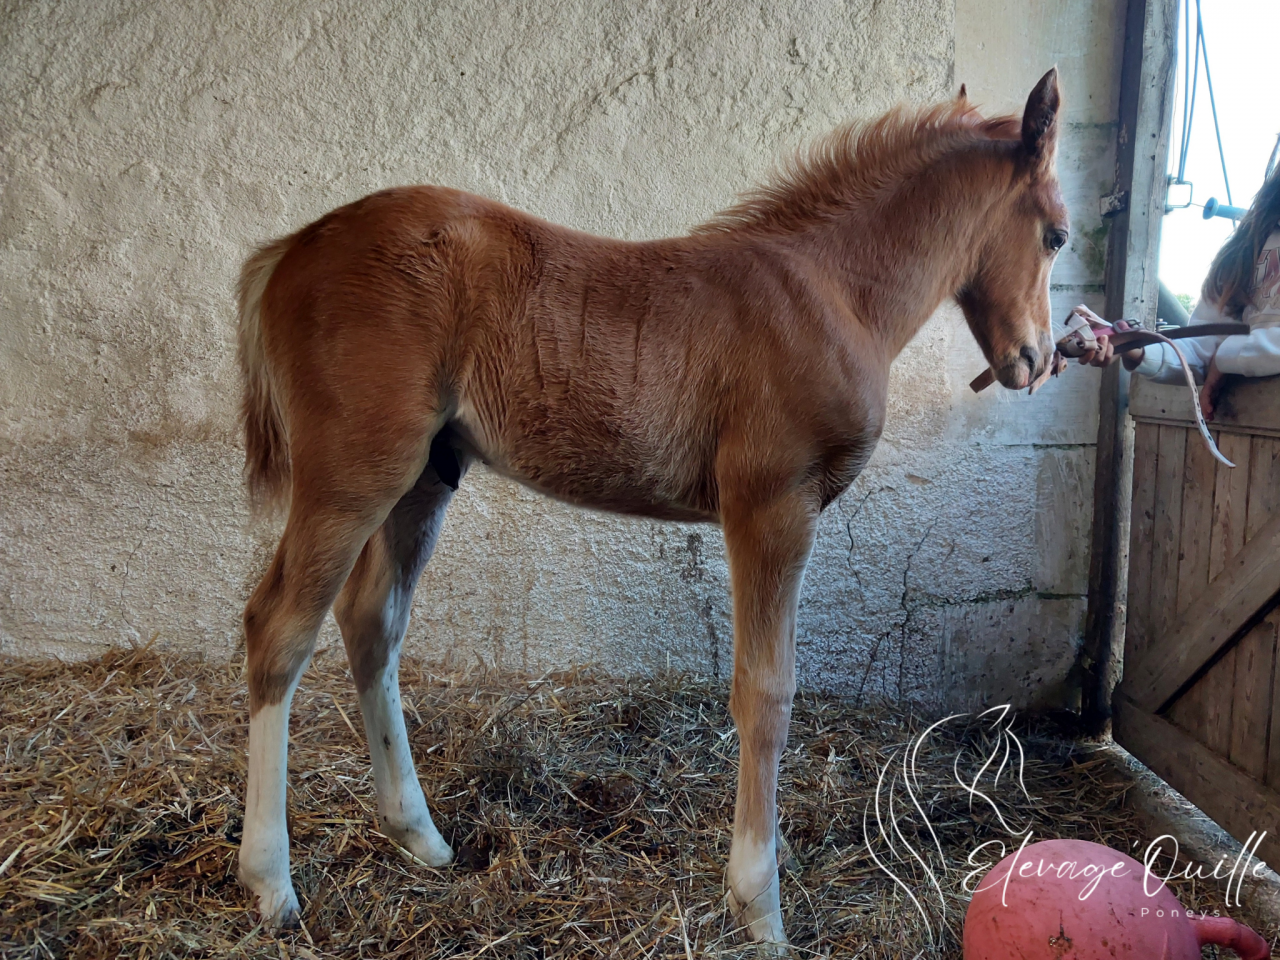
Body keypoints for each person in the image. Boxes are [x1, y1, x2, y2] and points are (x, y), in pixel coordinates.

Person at [1082, 167, 1280, 418]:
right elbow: (1202, 350)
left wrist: (1229, 355)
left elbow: (1222, 352)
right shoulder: (1247, 248)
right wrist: (1135, 347)